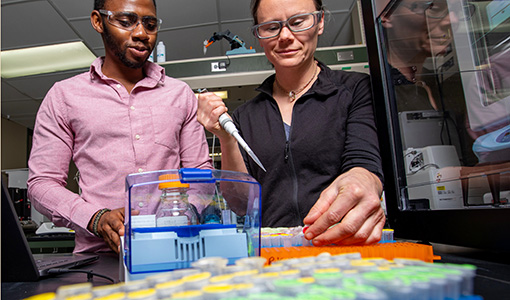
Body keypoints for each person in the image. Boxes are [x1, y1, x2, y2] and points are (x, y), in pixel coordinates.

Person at [27, 0, 212, 253]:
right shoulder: (64, 96)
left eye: (150, 24)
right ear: (97, 21)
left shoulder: (180, 94)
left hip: (176, 250)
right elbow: (42, 184)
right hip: (99, 257)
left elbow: (200, 172)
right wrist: (96, 218)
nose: (141, 34)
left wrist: (180, 215)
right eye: (126, 22)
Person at [198, 0, 385, 246]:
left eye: (297, 22)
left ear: (319, 22)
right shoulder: (245, 115)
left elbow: (363, 164)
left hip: (343, 244)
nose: (285, 36)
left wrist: (362, 181)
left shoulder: (355, 89)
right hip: (275, 252)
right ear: (258, 35)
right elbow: (241, 205)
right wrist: (226, 138)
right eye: (270, 27)